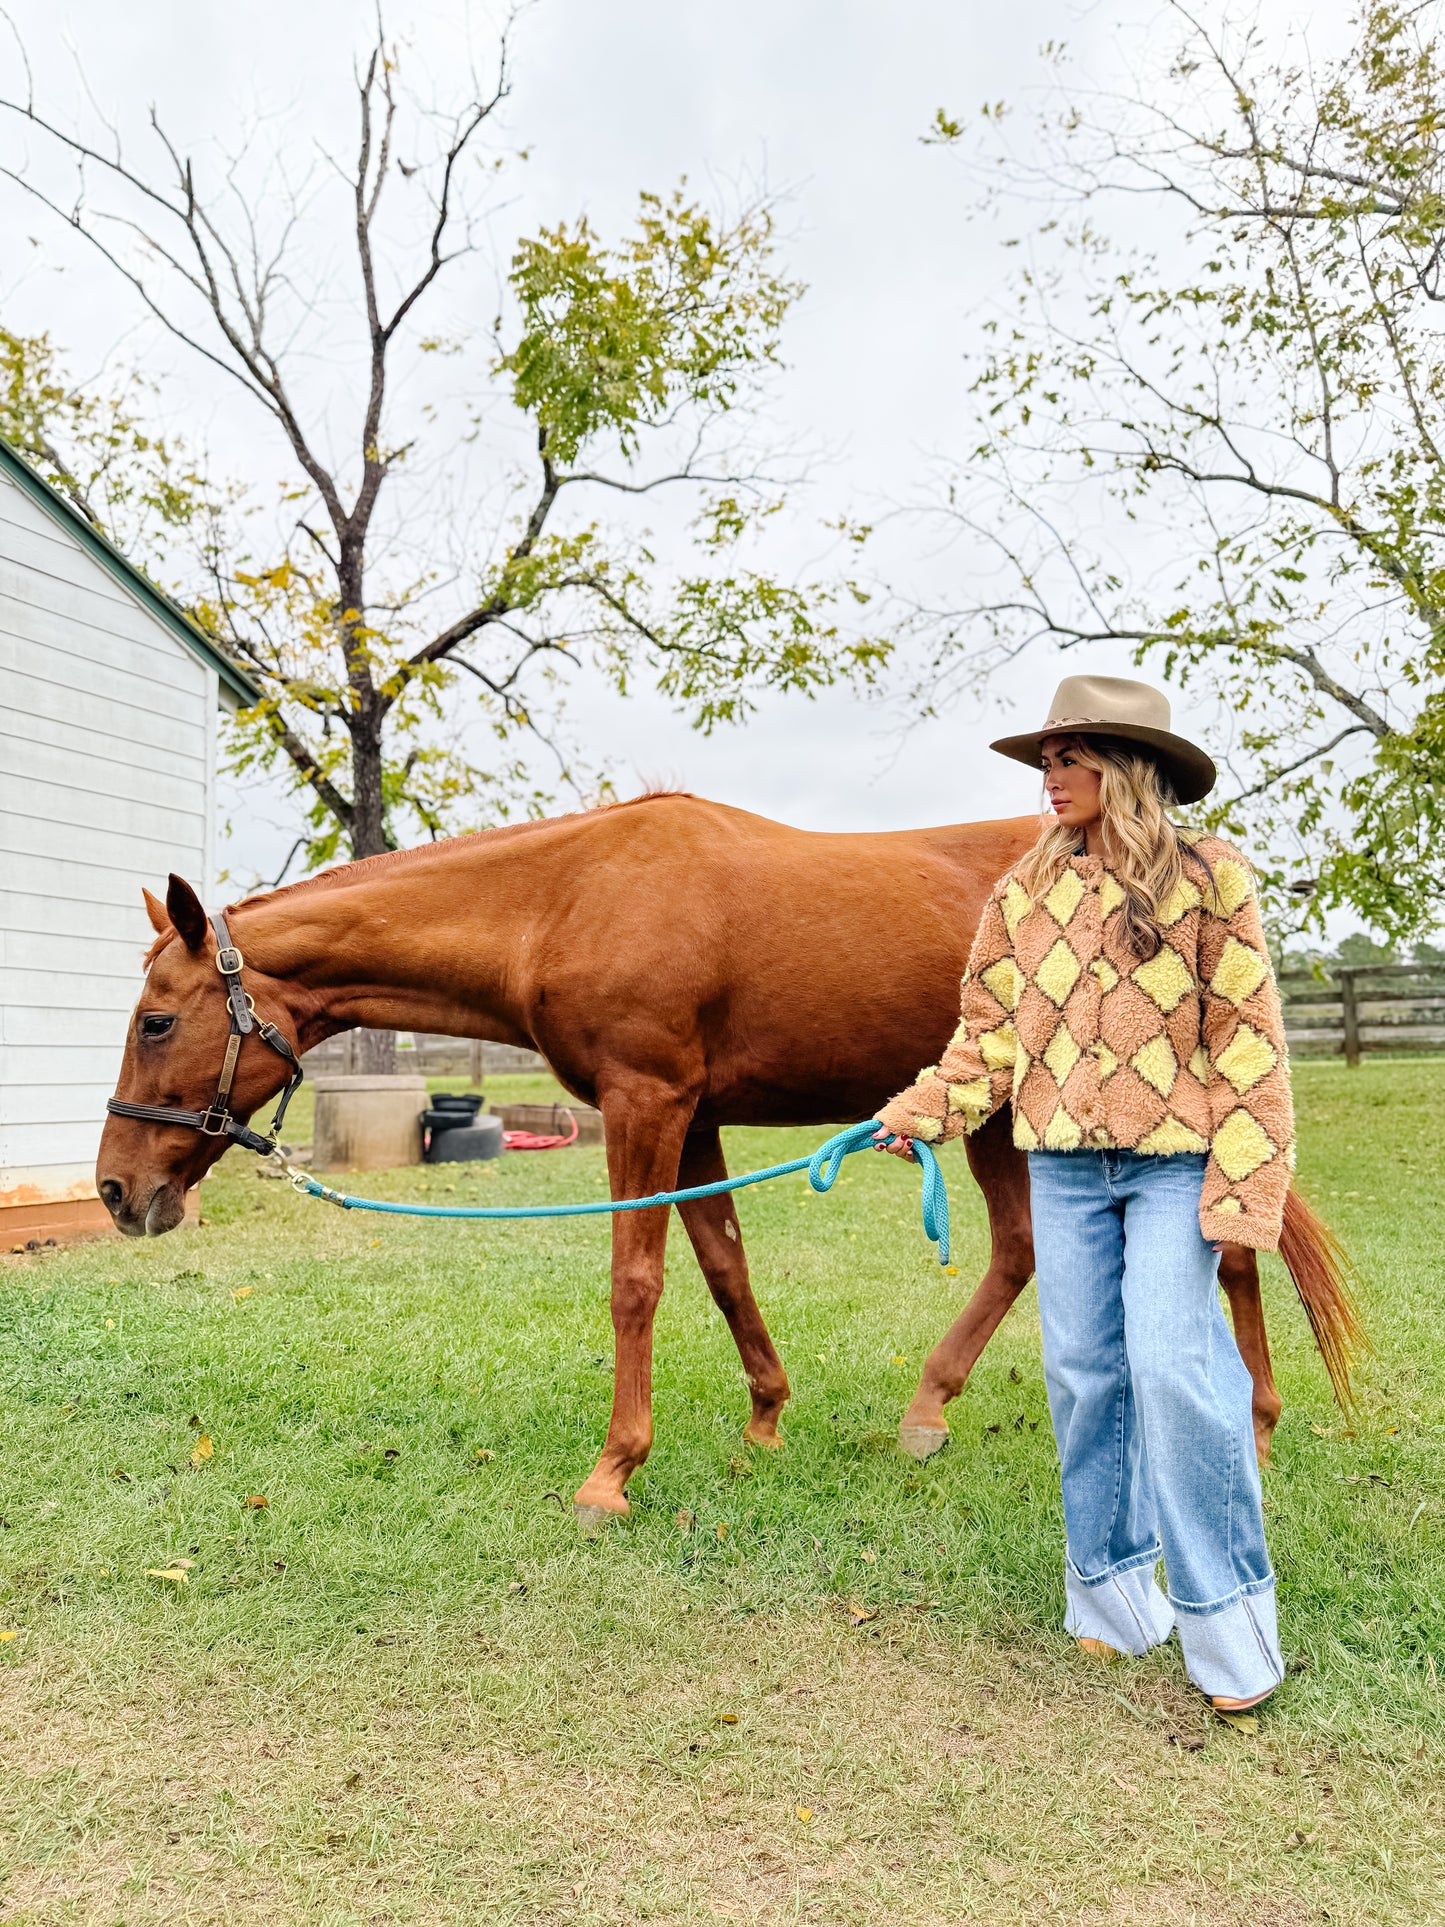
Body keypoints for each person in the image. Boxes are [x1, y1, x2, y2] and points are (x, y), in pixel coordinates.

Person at [875, 674, 1292, 1711]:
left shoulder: (1212, 878)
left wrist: (1241, 1194)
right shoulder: (1020, 894)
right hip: (1058, 1165)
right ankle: (1110, 1596)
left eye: (1067, 759)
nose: (1047, 779)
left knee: (1170, 1366)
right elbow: (985, 1038)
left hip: (1169, 1166)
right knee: (1083, 1376)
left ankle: (1229, 1621)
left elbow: (1247, 1047)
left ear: (1126, 767)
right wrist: (922, 1110)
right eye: (1043, 761)